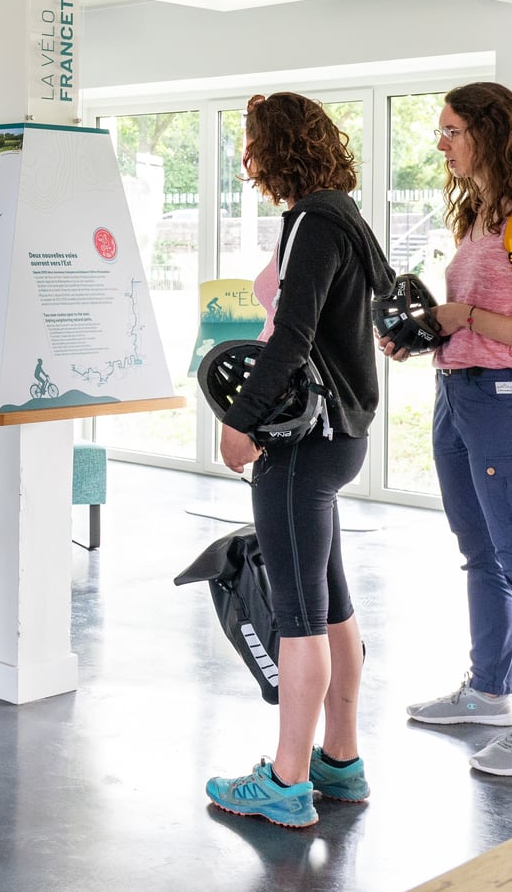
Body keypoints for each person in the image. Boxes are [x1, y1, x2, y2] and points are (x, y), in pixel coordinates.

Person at [206, 93, 391, 829]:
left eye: (252, 144)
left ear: (276, 147)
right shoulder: (344, 214)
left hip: (302, 445)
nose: (246, 159)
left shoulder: (313, 222)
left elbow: (292, 337)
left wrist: (240, 421)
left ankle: (286, 782)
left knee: (298, 617)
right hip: (341, 438)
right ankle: (339, 761)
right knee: (331, 604)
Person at [385, 82, 512, 777]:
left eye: (452, 130)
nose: (441, 143)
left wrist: (463, 316)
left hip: (505, 399)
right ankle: (490, 691)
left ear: (490, 132)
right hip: (456, 392)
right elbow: (472, 317)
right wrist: (424, 334)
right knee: (480, 553)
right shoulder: (477, 214)